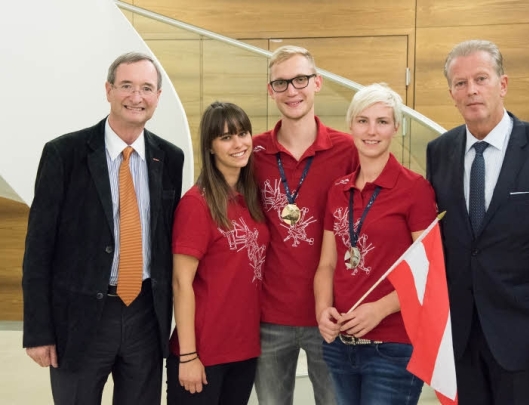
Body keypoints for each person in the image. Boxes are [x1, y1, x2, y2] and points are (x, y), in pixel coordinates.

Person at [426, 39, 529, 404]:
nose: (472, 91)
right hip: (460, 341)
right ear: (451, 93)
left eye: (481, 78)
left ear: (503, 84)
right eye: (461, 83)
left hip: (525, 343)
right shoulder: (439, 152)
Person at [22, 52, 184, 404]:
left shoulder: (170, 158)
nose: (136, 97)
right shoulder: (64, 154)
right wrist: (38, 331)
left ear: (157, 97)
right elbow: (38, 248)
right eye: (126, 86)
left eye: (146, 88)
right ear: (108, 90)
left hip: (145, 316)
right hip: (79, 320)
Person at [314, 83, 437, 405]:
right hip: (340, 344)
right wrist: (321, 309)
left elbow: (430, 271)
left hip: (393, 347)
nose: (372, 131)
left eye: (382, 121)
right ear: (350, 125)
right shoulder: (337, 190)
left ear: (396, 127)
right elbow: (328, 263)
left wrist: (379, 310)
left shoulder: (415, 189)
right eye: (363, 120)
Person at [252, 45, 359, 404]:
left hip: (330, 316)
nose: (291, 90)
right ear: (270, 90)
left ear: (318, 83)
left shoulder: (350, 151)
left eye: (300, 79)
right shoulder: (253, 153)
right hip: (267, 317)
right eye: (281, 83)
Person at [166, 101, 270, 404]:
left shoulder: (250, 197)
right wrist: (188, 356)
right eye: (226, 137)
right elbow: (180, 283)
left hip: (244, 348)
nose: (239, 144)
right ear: (210, 147)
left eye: (243, 133)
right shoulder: (197, 204)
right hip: (203, 351)